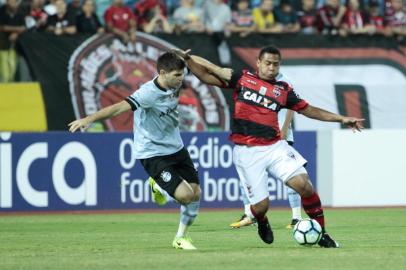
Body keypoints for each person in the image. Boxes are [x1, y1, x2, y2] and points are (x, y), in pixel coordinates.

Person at [172, 46, 364, 248]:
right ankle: (261, 220)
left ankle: (323, 233)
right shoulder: (242, 79)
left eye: (276, 64)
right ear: (258, 63)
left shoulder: (283, 90)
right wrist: (188, 60)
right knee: (261, 207)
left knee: (304, 186)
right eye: (268, 63)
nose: (272, 68)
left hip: (274, 147)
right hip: (247, 152)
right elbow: (208, 73)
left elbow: (309, 110)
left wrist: (342, 118)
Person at [68, 52, 201, 250]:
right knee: (185, 196)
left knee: (196, 194)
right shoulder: (147, 93)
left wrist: (190, 59)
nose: (181, 79)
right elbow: (118, 107)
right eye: (176, 75)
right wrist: (88, 119)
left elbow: (195, 70)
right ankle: (158, 184)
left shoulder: (175, 80)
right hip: (152, 152)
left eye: (182, 75)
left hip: (176, 147)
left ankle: (180, 237)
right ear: (162, 73)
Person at [229, 109, 303, 229]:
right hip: (258, 134)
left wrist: (284, 128)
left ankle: (297, 217)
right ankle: (249, 215)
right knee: (249, 174)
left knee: (291, 176)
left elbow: (291, 107)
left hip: (280, 135)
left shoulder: (284, 89)